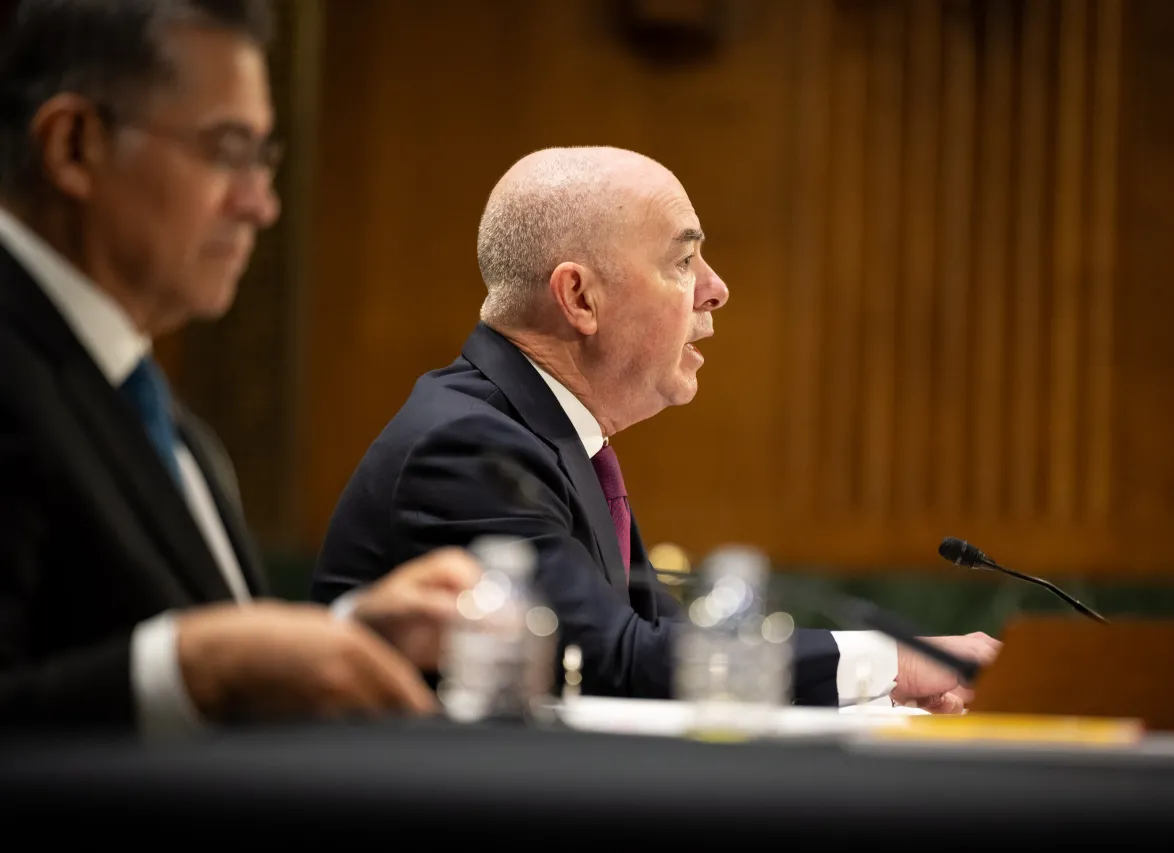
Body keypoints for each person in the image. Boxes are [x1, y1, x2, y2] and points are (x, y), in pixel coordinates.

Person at [312, 146, 1000, 710]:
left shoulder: (545, 432)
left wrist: (890, 692)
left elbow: (668, 642)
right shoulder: (466, 445)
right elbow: (608, 659)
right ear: (580, 297)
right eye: (683, 261)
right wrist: (899, 661)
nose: (715, 287)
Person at [0, 0, 480, 737]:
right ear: (74, 146)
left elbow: (161, 633)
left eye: (264, 158)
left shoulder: (146, 401)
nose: (262, 204)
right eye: (228, 151)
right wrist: (198, 666)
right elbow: (184, 658)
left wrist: (346, 636)